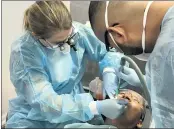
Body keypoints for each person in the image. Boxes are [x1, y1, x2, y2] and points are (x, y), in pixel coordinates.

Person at [6, 1, 128, 128]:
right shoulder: (24, 53)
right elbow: (46, 103)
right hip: (35, 117)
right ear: (36, 36)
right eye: (59, 43)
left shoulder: (77, 33)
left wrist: (110, 70)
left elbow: (109, 49)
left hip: (75, 108)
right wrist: (94, 107)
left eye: (69, 39)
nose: (67, 46)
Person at [88, 1, 174, 128]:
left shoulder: (167, 53)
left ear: (118, 35)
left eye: (111, 47)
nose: (126, 96)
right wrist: (147, 81)